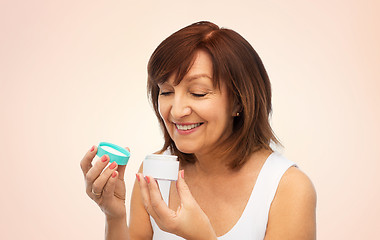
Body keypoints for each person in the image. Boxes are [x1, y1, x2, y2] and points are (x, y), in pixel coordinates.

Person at [80, 21, 316, 240]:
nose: (177, 110)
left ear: (239, 102)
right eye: (166, 92)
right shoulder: (155, 174)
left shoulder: (288, 188)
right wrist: (114, 215)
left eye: (198, 93)